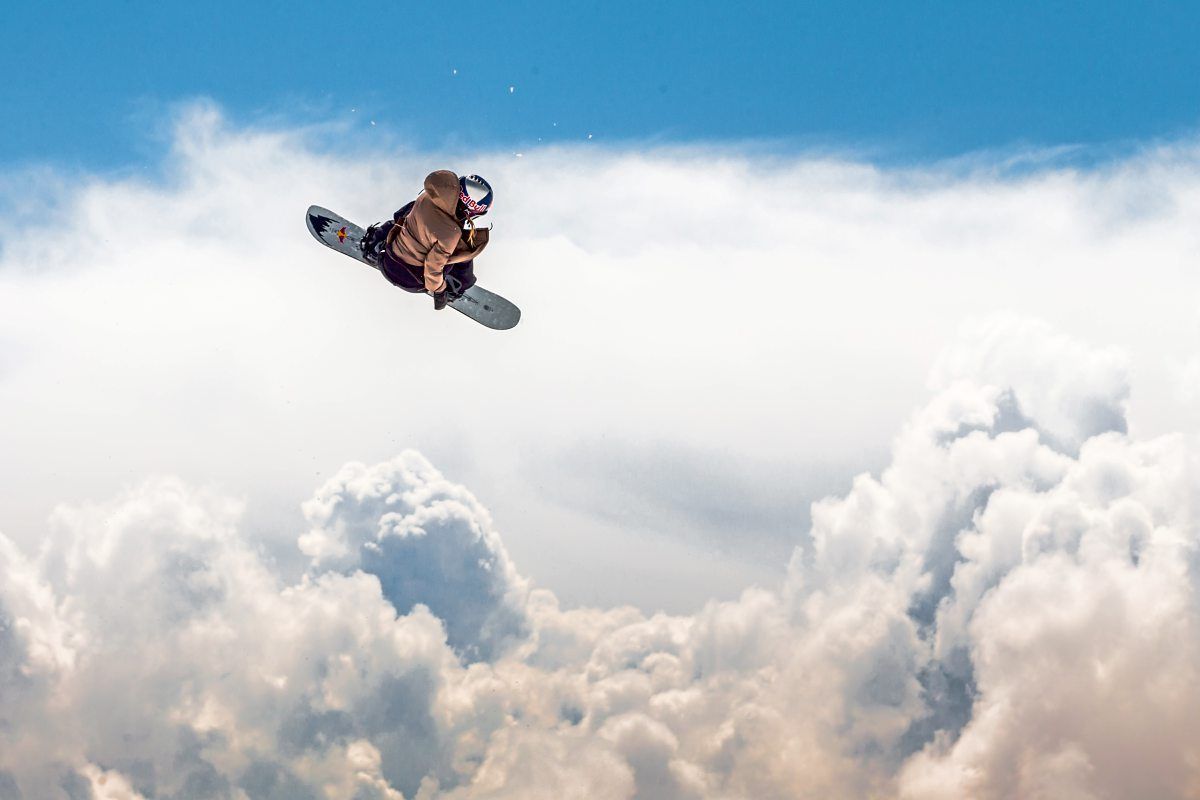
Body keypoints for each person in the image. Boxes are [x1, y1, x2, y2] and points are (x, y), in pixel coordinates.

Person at [360, 171, 493, 310]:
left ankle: (373, 246)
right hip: (412, 282)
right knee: (464, 253)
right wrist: (440, 291)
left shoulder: (426, 198)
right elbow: (432, 268)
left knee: (406, 216)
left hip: (387, 259)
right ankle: (454, 287)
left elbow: (399, 218)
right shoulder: (451, 235)